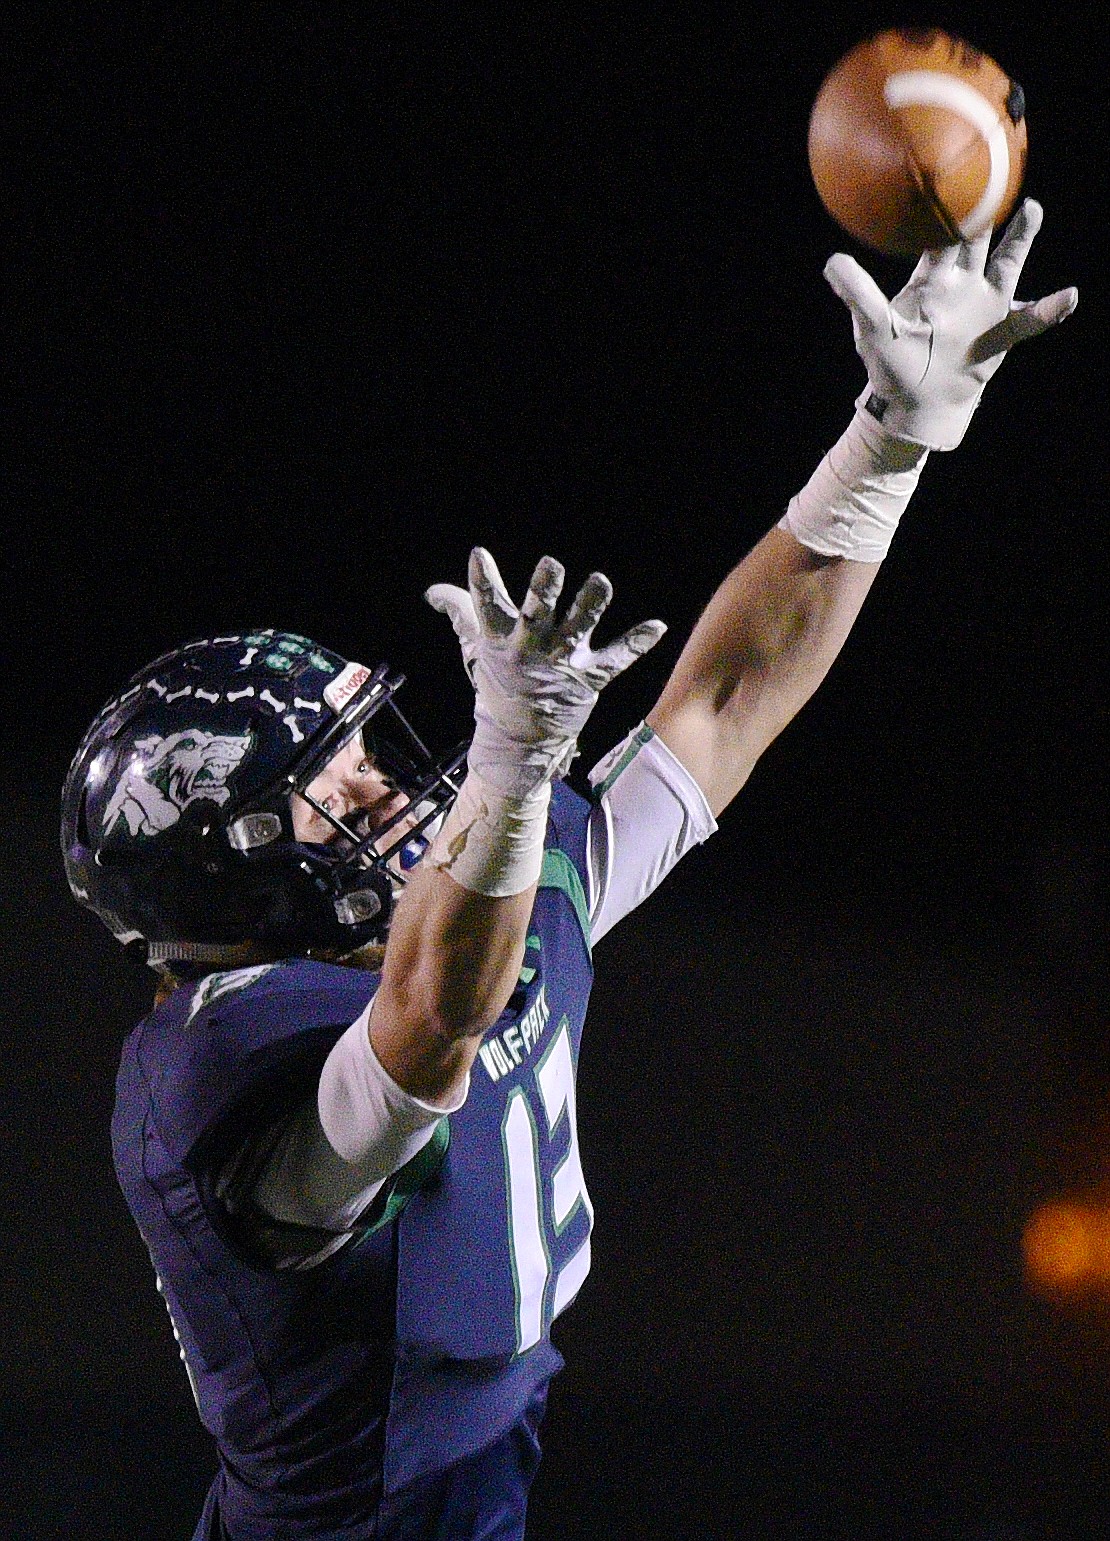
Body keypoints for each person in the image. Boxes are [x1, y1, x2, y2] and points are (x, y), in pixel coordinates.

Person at [63, 201, 1075, 1540]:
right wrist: (509, 772)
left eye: (364, 748)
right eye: (328, 781)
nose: (379, 787)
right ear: (230, 865)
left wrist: (884, 447)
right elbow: (426, 1031)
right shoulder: (218, 1071)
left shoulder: (478, 895)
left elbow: (719, 707)